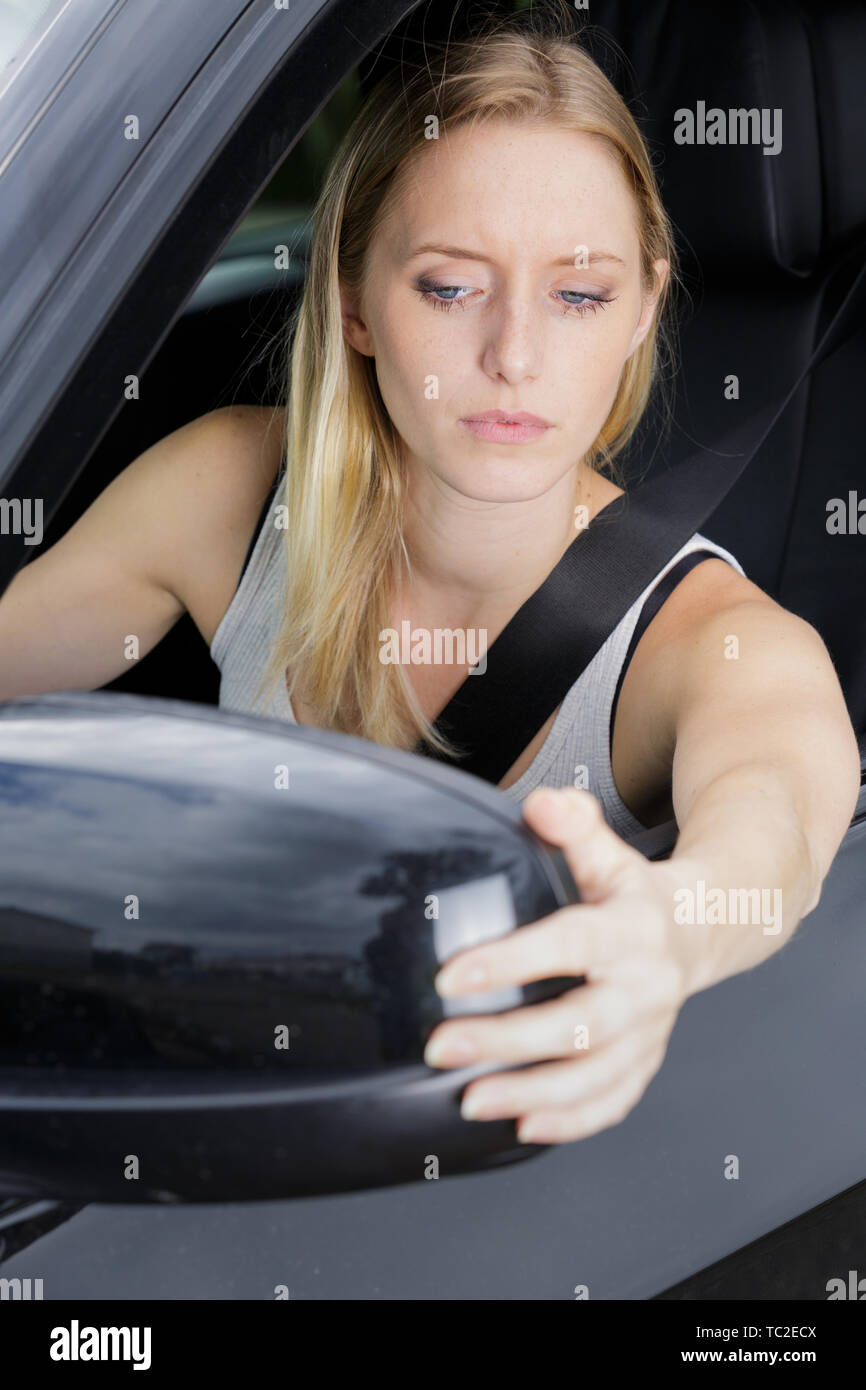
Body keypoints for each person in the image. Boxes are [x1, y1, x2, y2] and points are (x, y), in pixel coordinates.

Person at [0, 1, 858, 1145]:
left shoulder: (712, 642)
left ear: (643, 307)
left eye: (578, 294)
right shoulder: (228, 496)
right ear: (353, 298)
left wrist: (663, 928)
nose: (512, 354)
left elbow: (775, 823)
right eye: (450, 287)